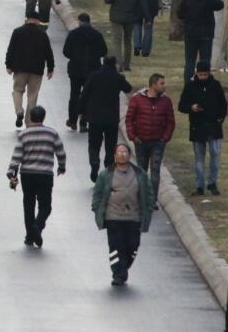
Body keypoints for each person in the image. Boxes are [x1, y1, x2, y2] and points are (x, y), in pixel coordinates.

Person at [91, 143, 154, 286]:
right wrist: (97, 209)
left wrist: (148, 210)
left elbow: (149, 195)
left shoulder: (140, 174)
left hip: (134, 217)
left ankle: (124, 266)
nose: (122, 155)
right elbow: (98, 194)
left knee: (133, 245)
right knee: (116, 245)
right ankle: (118, 274)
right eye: (119, 152)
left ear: (130, 155)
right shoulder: (106, 174)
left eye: (124, 152)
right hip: (113, 217)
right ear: (114, 156)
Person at [6, 105, 66, 248]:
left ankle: (30, 235)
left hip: (27, 175)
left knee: (28, 205)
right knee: (45, 206)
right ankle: (37, 229)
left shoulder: (24, 135)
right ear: (43, 117)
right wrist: (61, 166)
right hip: (45, 175)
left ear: (30, 117)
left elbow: (17, 155)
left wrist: (11, 172)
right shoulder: (52, 134)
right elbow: (60, 152)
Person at [178, 60, 228, 196]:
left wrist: (220, 120)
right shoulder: (190, 86)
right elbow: (181, 106)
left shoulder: (215, 85)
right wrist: (191, 108)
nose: (203, 77)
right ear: (196, 73)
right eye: (200, 75)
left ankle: (212, 183)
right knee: (199, 157)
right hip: (197, 126)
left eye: (205, 74)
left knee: (215, 155)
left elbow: (223, 105)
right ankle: (199, 185)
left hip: (214, 126)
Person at [125, 73, 175, 206]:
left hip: (158, 142)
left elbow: (171, 122)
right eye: (162, 83)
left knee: (155, 170)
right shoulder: (137, 99)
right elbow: (129, 119)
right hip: (141, 141)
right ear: (153, 85)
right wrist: (133, 136)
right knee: (141, 171)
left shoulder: (166, 101)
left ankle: (152, 200)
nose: (164, 86)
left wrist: (165, 138)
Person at [79, 56, 132, 182]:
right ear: (115, 64)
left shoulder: (94, 76)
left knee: (94, 143)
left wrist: (81, 111)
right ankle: (108, 166)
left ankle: (94, 161)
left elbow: (84, 94)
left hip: (95, 117)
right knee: (110, 144)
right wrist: (119, 75)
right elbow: (128, 88)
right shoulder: (117, 78)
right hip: (111, 118)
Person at [5, 17, 54, 128]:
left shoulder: (18, 32)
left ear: (27, 19)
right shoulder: (42, 34)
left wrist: (8, 65)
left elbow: (11, 49)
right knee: (32, 96)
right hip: (36, 71)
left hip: (20, 69)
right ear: (37, 21)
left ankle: (19, 111)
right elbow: (48, 53)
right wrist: (50, 68)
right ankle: (30, 122)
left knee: (17, 91)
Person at [62, 12, 108, 131]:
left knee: (74, 95)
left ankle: (72, 120)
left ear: (79, 21)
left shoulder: (73, 34)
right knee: (89, 96)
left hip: (75, 70)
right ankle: (84, 121)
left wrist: (75, 56)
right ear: (90, 22)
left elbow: (66, 51)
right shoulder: (97, 35)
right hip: (92, 70)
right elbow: (103, 51)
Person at [178, 0, 225, 83]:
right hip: (206, 34)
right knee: (205, 60)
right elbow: (220, 5)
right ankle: (205, 82)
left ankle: (188, 83)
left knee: (190, 61)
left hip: (190, 34)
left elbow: (179, 14)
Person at [104, 0, 148, 72]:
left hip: (116, 16)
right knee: (128, 41)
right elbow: (142, 2)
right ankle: (127, 64)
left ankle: (119, 65)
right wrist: (147, 16)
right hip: (131, 16)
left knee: (117, 41)